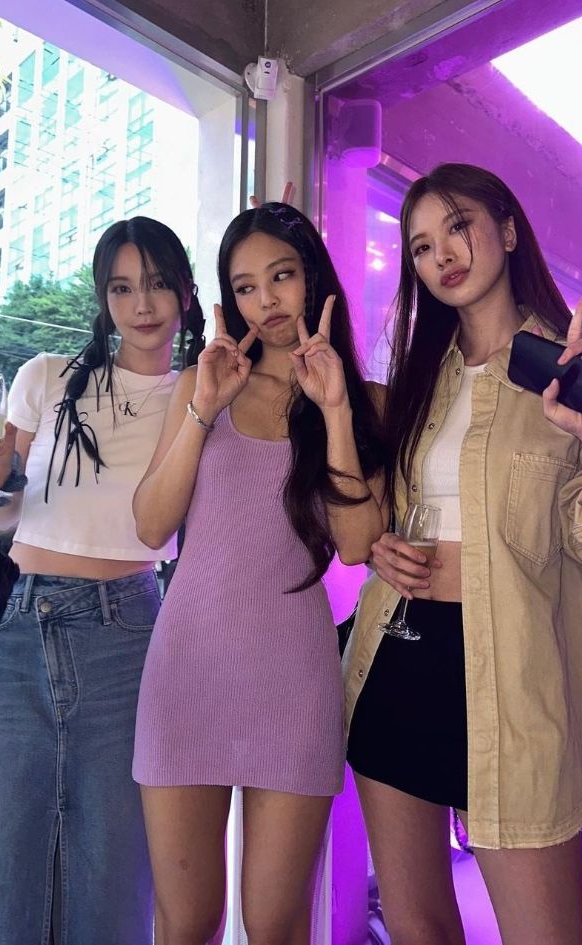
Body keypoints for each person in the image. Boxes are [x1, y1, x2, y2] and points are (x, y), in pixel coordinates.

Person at [342, 163, 582, 945]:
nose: (442, 254)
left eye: (458, 226)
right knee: (418, 925)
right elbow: (390, 513)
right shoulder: (421, 379)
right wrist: (384, 549)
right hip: (397, 657)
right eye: (422, 245)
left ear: (508, 228)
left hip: (515, 676)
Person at [132, 201, 387, 944]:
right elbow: (151, 527)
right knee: (187, 922)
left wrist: (333, 410)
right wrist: (203, 409)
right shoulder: (202, 384)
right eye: (245, 287)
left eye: (282, 276)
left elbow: (356, 543)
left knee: (275, 924)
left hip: (294, 680)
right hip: (187, 673)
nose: (266, 300)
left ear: (314, 278)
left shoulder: (362, 401)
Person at [0, 216, 205, 945]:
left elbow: (166, 525)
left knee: (112, 879)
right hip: (8, 631)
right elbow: (6, 516)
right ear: (104, 298)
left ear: (185, 292)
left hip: (125, 634)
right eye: (121, 288)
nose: (142, 304)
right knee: (2, 880)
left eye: (157, 284)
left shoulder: (196, 393)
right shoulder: (46, 375)